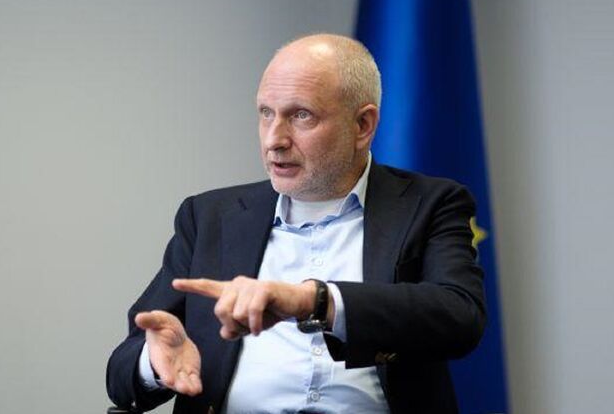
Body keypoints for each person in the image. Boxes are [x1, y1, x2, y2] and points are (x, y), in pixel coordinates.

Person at [106, 33, 486, 414]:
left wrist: (315, 301)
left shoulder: (429, 204)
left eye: (301, 115)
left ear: (362, 125)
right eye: (266, 113)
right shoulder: (209, 217)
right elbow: (122, 371)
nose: (274, 140)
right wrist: (153, 363)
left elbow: (459, 315)